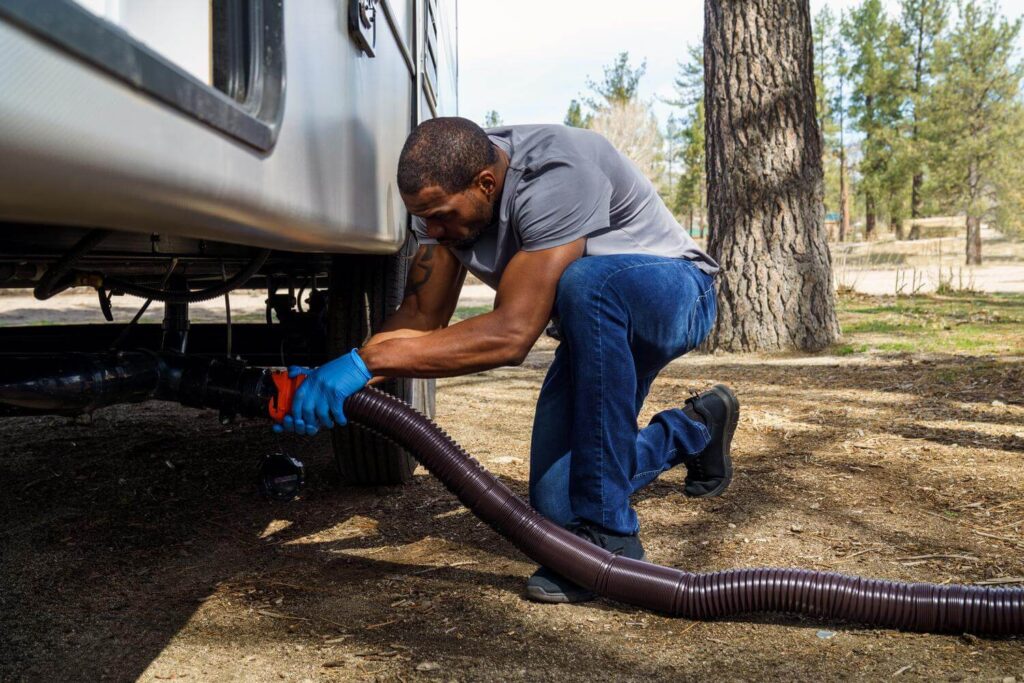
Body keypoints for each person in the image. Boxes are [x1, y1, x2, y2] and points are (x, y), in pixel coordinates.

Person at [276, 117, 739, 603]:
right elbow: (421, 313)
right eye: (422, 217)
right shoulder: (445, 194)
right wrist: (339, 377)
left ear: (486, 183)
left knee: (588, 283)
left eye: (440, 215)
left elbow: (513, 333)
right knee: (557, 508)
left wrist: (364, 364)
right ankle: (695, 429)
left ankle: (609, 540)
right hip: (596, 329)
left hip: (676, 294)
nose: (431, 229)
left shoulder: (557, 171)